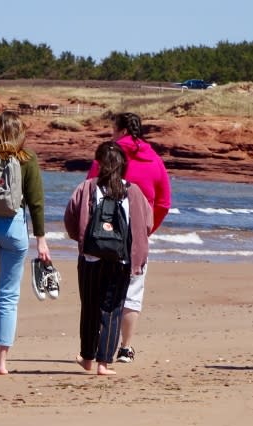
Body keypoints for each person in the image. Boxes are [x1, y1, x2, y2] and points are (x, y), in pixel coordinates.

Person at [0, 111, 51, 375]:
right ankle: (1, 362)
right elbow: (36, 200)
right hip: (14, 226)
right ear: (20, 132)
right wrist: (41, 238)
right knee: (8, 296)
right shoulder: (27, 158)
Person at [86, 112, 171, 363]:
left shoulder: (107, 155)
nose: (112, 134)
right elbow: (164, 203)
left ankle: (100, 345)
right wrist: (147, 229)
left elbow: (90, 187)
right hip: (136, 233)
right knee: (132, 290)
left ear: (121, 131)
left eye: (113, 130)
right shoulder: (155, 160)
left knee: (102, 288)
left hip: (105, 230)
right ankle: (125, 347)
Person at [65, 141, 153, 375]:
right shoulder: (133, 191)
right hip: (120, 260)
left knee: (90, 307)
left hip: (91, 257)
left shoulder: (86, 188)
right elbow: (147, 223)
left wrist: (83, 241)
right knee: (112, 310)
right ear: (124, 165)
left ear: (99, 164)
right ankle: (103, 363)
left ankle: (87, 357)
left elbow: (70, 219)